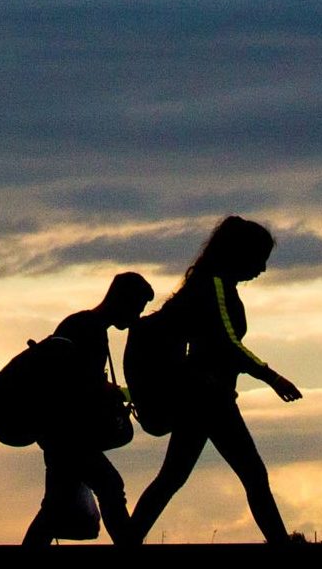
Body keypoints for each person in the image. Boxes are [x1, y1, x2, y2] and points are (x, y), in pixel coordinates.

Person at [129, 217, 301, 543]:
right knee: (252, 475)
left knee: (173, 477)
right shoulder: (213, 287)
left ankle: (129, 542)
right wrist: (272, 377)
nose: (262, 269)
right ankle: (282, 549)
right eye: (259, 258)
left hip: (203, 398)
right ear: (241, 254)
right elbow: (227, 344)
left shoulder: (209, 286)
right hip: (209, 399)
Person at [22, 271, 154, 548]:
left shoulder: (83, 325)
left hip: (60, 434)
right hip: (69, 435)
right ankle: (131, 553)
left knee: (56, 506)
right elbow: (77, 386)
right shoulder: (88, 330)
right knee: (110, 487)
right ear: (124, 301)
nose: (137, 317)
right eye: (137, 308)